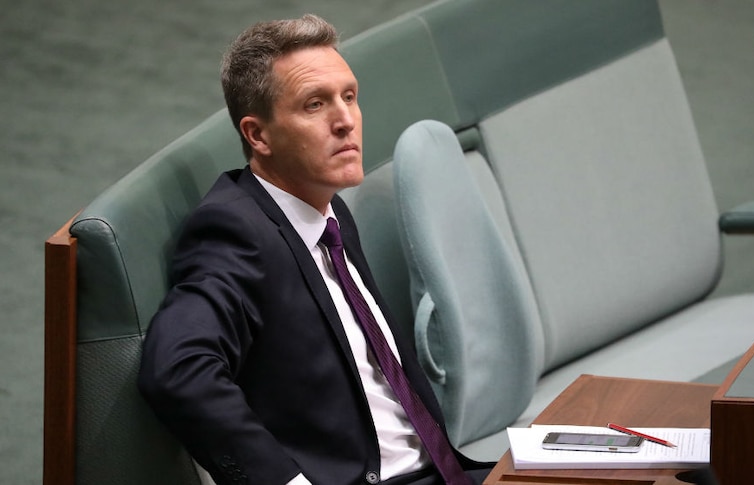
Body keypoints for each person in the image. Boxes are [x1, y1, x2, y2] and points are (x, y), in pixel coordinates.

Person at [137, 14, 494, 485]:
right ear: (257, 135)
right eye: (314, 104)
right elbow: (177, 369)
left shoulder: (327, 211)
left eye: (349, 96)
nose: (346, 120)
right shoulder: (234, 229)